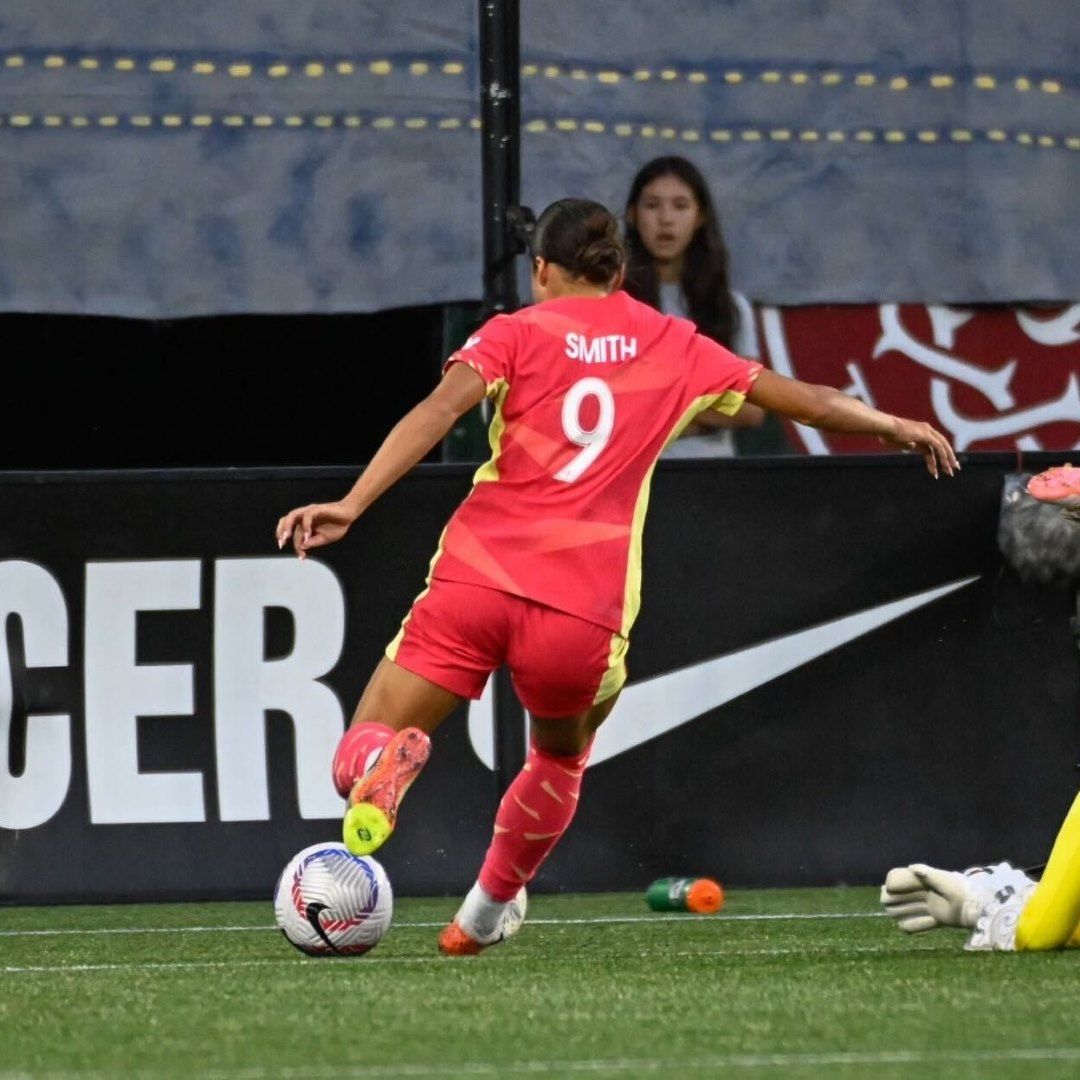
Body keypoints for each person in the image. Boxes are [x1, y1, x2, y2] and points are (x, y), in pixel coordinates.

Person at [276, 197, 957, 957]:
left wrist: (352, 503)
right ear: (622, 271)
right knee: (559, 758)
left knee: (368, 732)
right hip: (581, 609)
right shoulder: (674, 343)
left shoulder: (513, 332)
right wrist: (894, 424)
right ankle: (483, 913)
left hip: (478, 579)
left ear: (540, 270)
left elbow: (437, 411)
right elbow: (803, 402)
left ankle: (376, 765)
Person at [622, 155, 774, 457]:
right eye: (652, 205)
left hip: (713, 476)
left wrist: (659, 408)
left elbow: (751, 410)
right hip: (632, 479)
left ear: (700, 216)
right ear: (632, 215)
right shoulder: (612, 304)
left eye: (680, 206)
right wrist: (707, 406)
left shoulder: (729, 306)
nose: (666, 219)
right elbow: (613, 407)